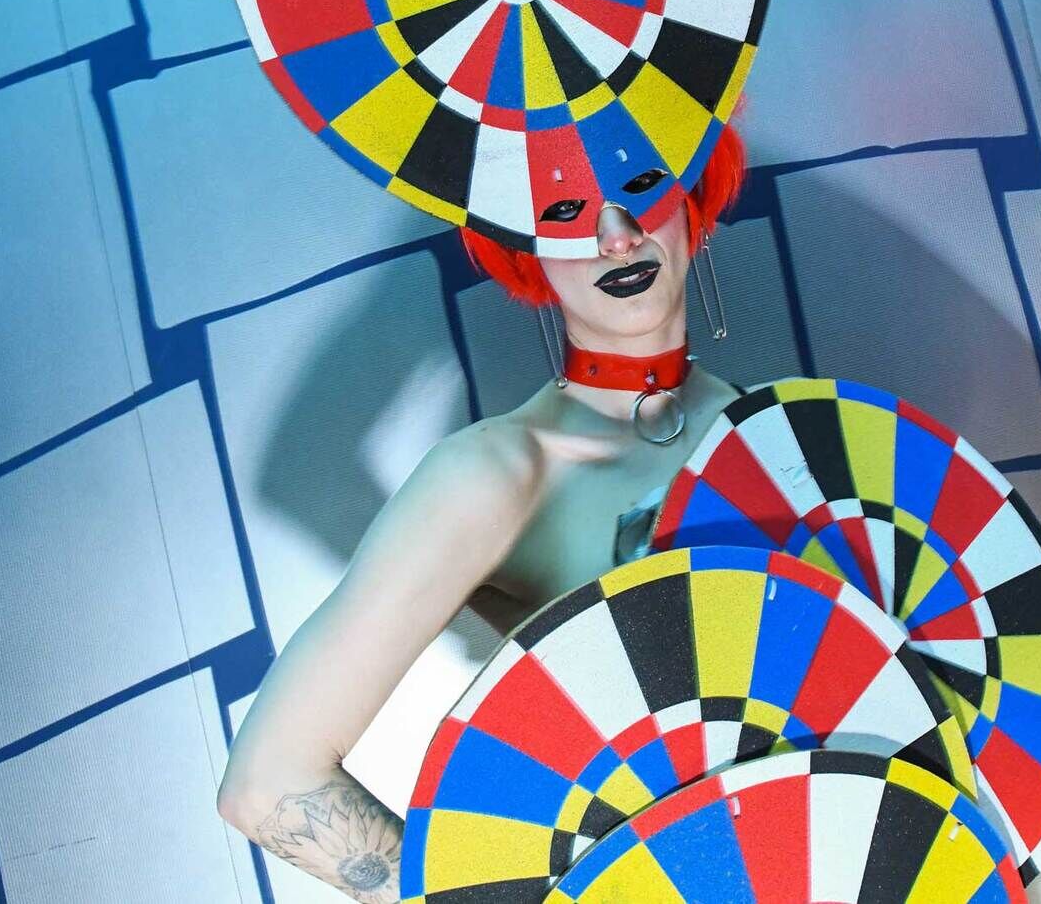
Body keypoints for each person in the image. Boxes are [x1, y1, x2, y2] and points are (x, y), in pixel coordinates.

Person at [216, 129, 746, 903]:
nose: (617, 236)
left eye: (641, 188)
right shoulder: (499, 472)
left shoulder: (757, 423)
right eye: (566, 211)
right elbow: (266, 783)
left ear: (693, 190)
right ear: (522, 244)